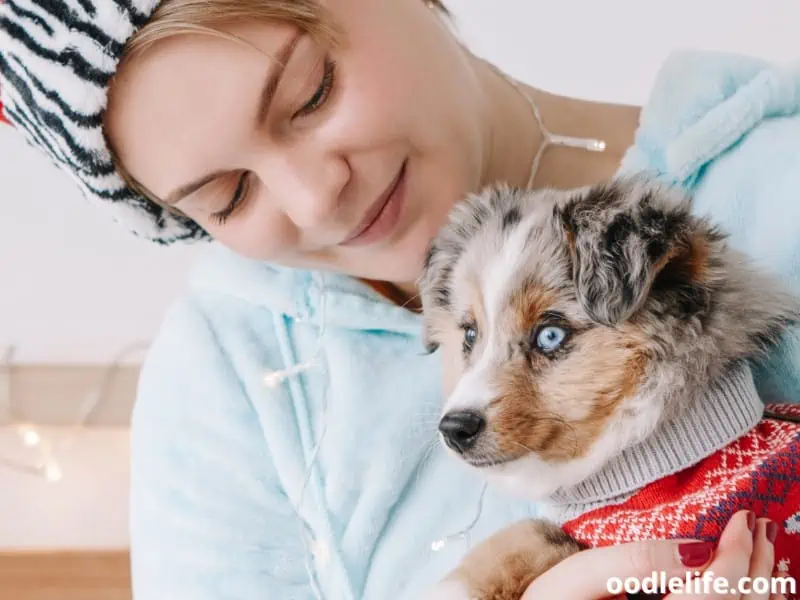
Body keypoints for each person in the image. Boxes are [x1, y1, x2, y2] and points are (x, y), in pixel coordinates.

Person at [1, 1, 798, 598]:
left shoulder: (774, 186)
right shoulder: (230, 379)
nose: (318, 201)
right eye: (229, 195)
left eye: (312, 94)